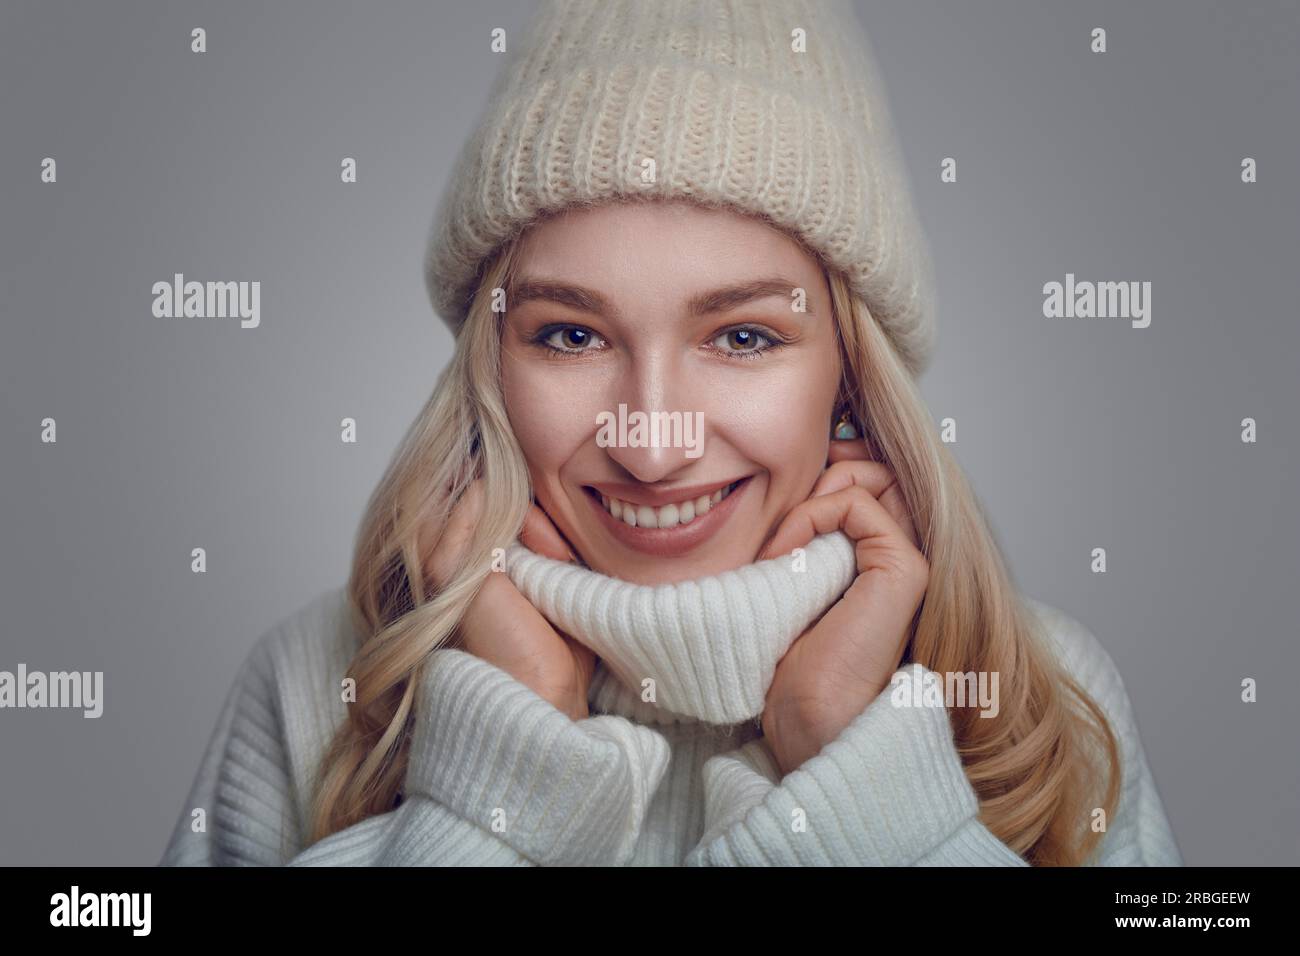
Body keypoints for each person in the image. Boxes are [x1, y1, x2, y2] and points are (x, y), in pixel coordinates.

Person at [159, 0, 1182, 867]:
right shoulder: (318, 680)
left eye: (741, 335)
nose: (652, 442)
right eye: (569, 333)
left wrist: (865, 779)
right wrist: (495, 785)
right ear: (490, 364)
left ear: (850, 372)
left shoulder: (1049, 689)